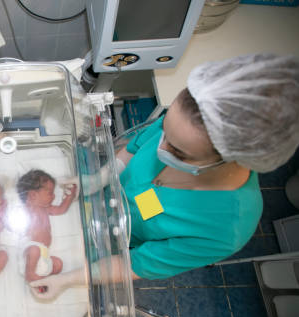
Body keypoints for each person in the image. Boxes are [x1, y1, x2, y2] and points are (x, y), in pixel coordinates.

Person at [31, 53, 299, 298]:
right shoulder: (187, 122)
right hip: (103, 202)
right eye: (165, 130)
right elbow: (135, 148)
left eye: (178, 151)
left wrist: (68, 280)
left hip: (116, 239)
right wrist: (99, 179)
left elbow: (136, 264)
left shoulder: (226, 229)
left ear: (227, 158)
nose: (161, 147)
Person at [16, 169, 77, 283]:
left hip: (44, 255)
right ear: (33, 195)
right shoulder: (27, 209)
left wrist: (70, 197)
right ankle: (30, 274)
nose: (54, 196)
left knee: (58, 264)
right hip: (29, 253)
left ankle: (43, 280)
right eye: (50, 193)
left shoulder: (46, 208)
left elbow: (61, 209)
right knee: (34, 250)